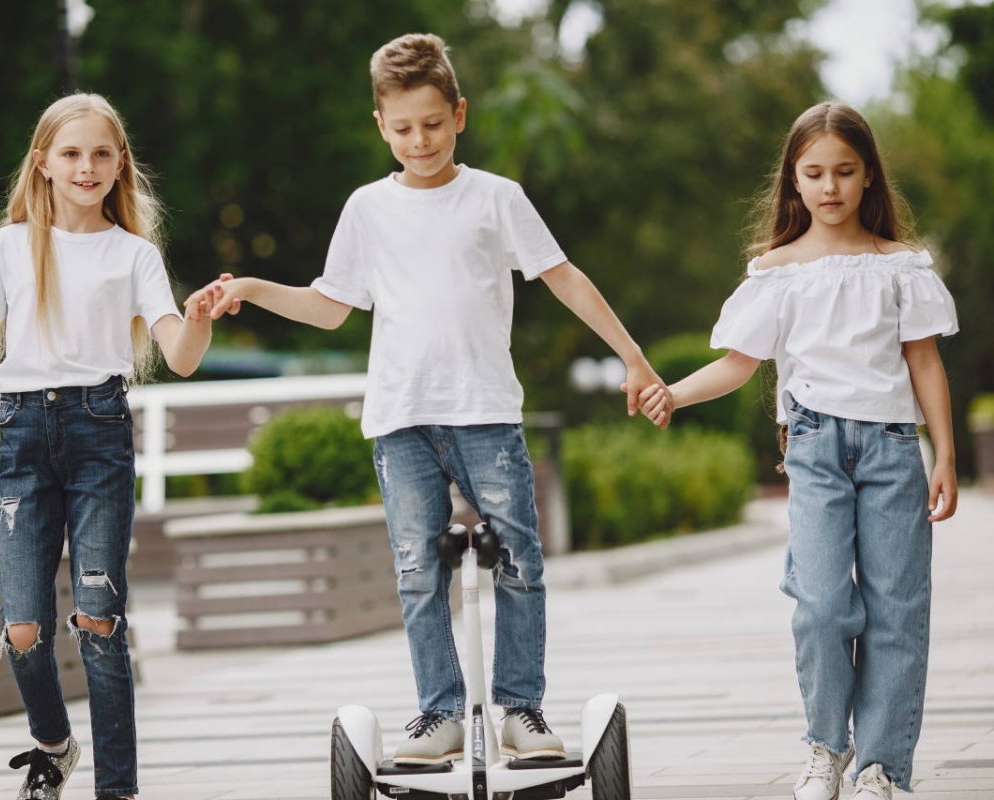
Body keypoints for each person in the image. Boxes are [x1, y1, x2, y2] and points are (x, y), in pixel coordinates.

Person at [200, 32, 667, 766]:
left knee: (520, 559)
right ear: (380, 126)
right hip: (401, 419)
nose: (420, 141)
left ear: (459, 115)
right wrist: (250, 289)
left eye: (433, 124)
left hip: (485, 413)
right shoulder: (366, 208)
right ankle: (439, 714)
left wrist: (633, 357)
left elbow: (562, 275)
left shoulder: (495, 197)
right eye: (404, 128)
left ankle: (520, 710)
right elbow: (330, 306)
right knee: (418, 570)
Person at [639, 102, 959, 800]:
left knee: (895, 609)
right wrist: (673, 392)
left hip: (891, 447)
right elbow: (737, 363)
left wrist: (946, 454)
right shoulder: (777, 271)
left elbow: (925, 363)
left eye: (845, 171)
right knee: (819, 605)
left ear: (869, 175)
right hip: (815, 448)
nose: (830, 187)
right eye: (813, 173)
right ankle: (826, 748)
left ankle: (878, 766)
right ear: (792, 181)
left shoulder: (899, 265)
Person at [0, 93, 214, 800]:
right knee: (22, 627)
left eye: (102, 153)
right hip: (22, 437)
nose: (87, 166)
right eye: (72, 153)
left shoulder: (135, 254)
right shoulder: (10, 245)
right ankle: (53, 743)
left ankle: (119, 789)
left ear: (119, 164)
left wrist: (197, 317)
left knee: (100, 619)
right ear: (43, 163)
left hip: (100, 435)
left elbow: (182, 354)